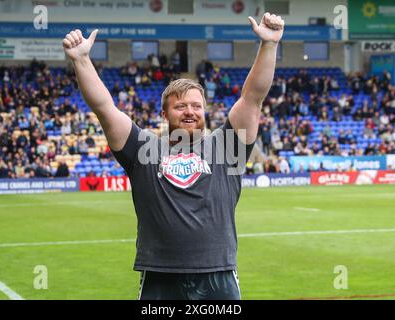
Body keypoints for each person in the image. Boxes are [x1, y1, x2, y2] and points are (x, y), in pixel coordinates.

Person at [62, 12, 284, 300]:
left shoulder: (227, 146)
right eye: (180, 106)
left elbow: (252, 97)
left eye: (196, 105)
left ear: (204, 111)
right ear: (164, 114)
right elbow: (104, 107)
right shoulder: (142, 149)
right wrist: (81, 60)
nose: (189, 111)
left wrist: (269, 44)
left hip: (217, 276)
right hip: (159, 277)